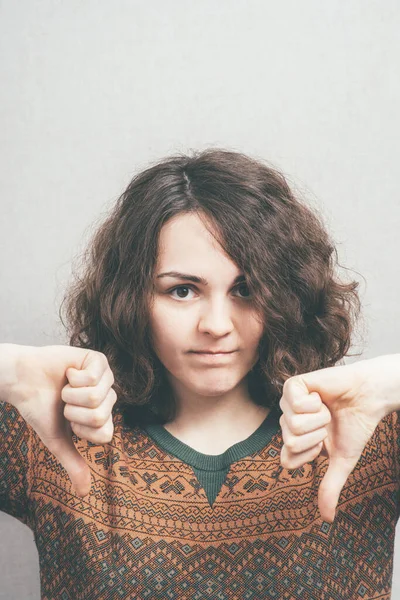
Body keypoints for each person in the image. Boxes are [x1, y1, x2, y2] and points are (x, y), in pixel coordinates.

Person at [1, 148, 399, 599]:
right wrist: (7, 370)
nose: (216, 324)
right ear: (131, 299)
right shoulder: (46, 436)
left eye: (246, 289)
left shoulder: (369, 436)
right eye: (183, 290)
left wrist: (392, 381)